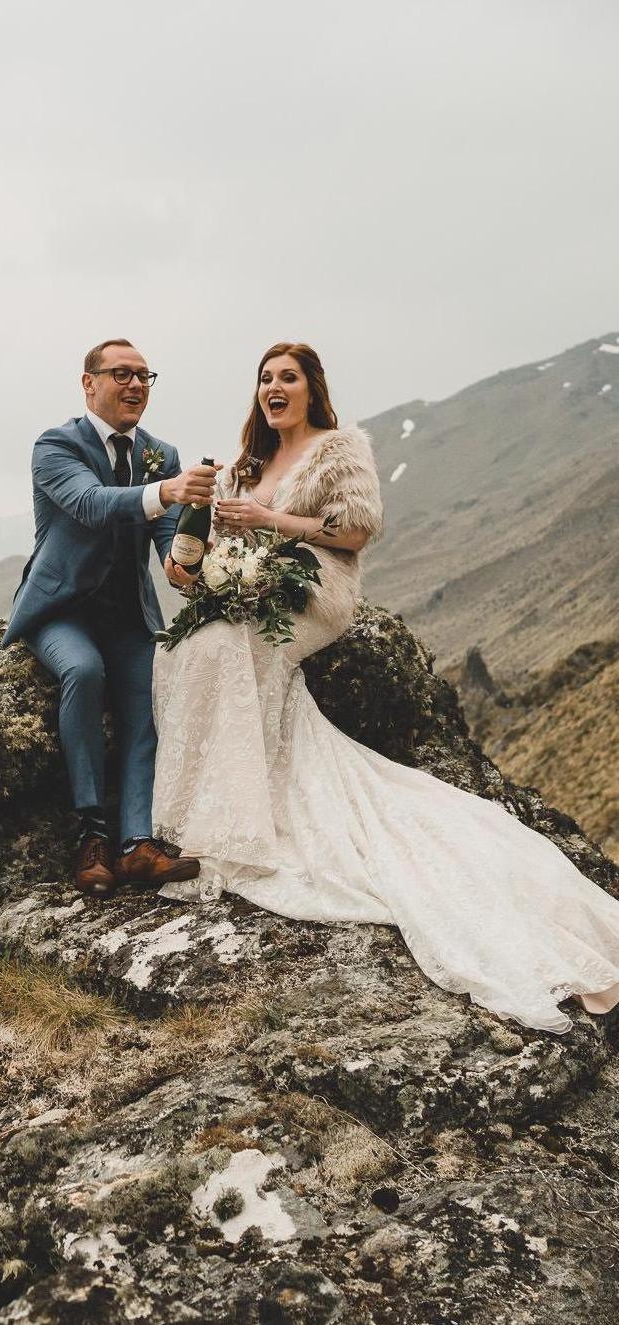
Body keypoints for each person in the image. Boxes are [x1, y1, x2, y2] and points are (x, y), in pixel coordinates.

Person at [151, 340, 619, 1033]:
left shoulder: (338, 449)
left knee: (224, 646)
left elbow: (357, 530)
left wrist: (269, 524)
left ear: (311, 388)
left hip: (310, 592)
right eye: (264, 379)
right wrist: (196, 568)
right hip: (250, 589)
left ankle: (228, 818)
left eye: (287, 377)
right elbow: (213, 542)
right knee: (186, 648)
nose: (273, 388)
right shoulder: (243, 462)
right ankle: (198, 808)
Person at [4, 338, 218, 898]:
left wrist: (182, 565)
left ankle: (136, 846)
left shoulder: (160, 453)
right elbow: (91, 505)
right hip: (60, 611)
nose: (136, 386)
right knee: (83, 673)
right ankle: (92, 837)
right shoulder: (55, 446)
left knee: (150, 691)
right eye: (122, 374)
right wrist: (166, 491)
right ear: (88, 382)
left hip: (128, 613)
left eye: (145, 376)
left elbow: (168, 536)